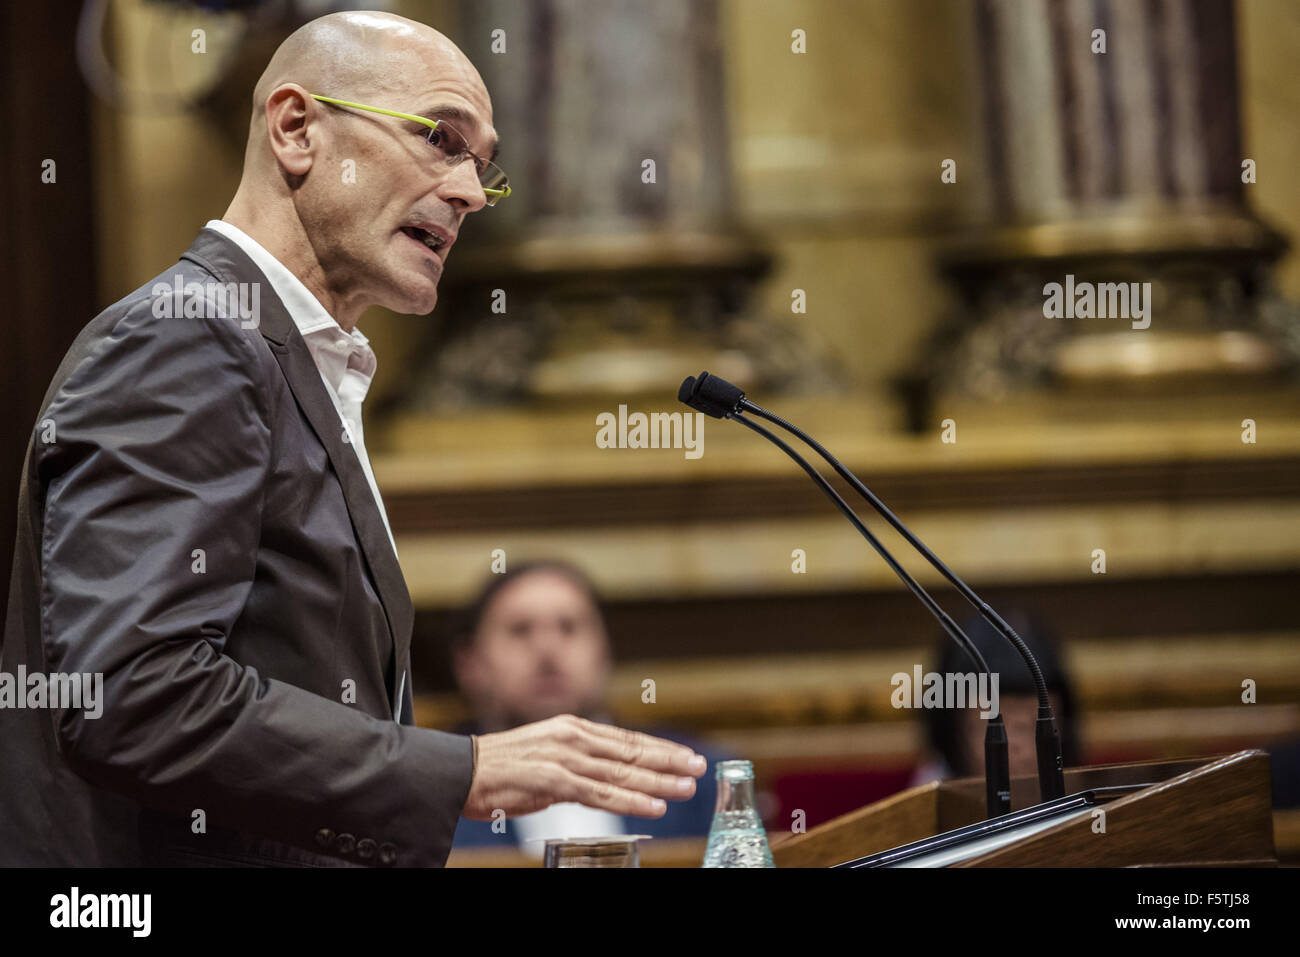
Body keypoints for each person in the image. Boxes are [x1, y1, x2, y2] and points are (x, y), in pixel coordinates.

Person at [0, 11, 703, 867]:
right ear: (297, 129)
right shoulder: (185, 339)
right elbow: (131, 693)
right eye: (441, 138)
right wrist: (461, 769)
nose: (472, 192)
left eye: (483, 167)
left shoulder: (288, 358)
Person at [447, 562, 724, 854]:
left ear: (604, 652)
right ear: (470, 663)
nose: (547, 649)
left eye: (569, 627)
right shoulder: (439, 792)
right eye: (520, 630)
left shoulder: (693, 776)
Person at [911, 611, 1083, 788]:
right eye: (997, 730)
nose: (1023, 753)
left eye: (1033, 727)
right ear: (954, 733)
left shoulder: (1095, 805)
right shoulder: (924, 806)